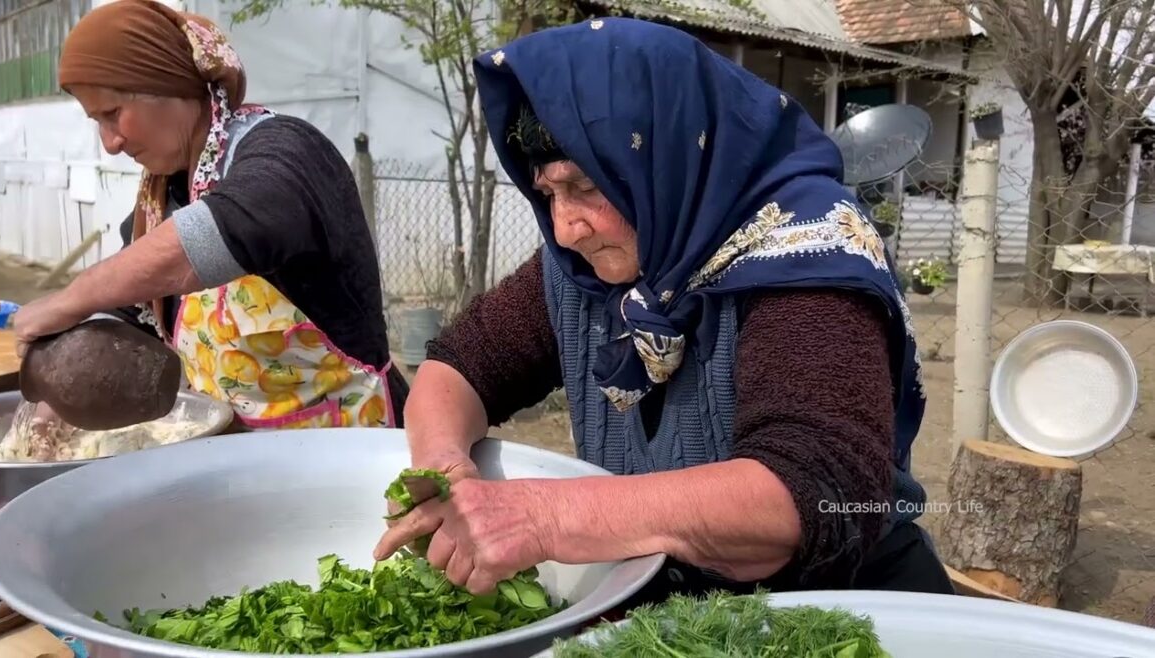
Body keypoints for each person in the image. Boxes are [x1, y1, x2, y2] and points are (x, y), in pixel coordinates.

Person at [374, 17, 954, 601]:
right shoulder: (590, 262)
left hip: (839, 609)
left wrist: (543, 515)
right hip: (678, 606)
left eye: (587, 188)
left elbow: (803, 492)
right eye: (548, 194)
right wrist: (446, 471)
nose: (566, 227)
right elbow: (458, 369)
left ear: (663, 155)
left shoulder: (809, 254)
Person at [9, 0, 407, 433]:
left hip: (346, 443)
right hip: (234, 456)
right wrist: (53, 400)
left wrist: (72, 297)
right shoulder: (161, 199)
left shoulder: (286, 152)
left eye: (112, 114)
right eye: (95, 121)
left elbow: (227, 229)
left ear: (168, 85)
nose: (110, 143)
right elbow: (131, 313)